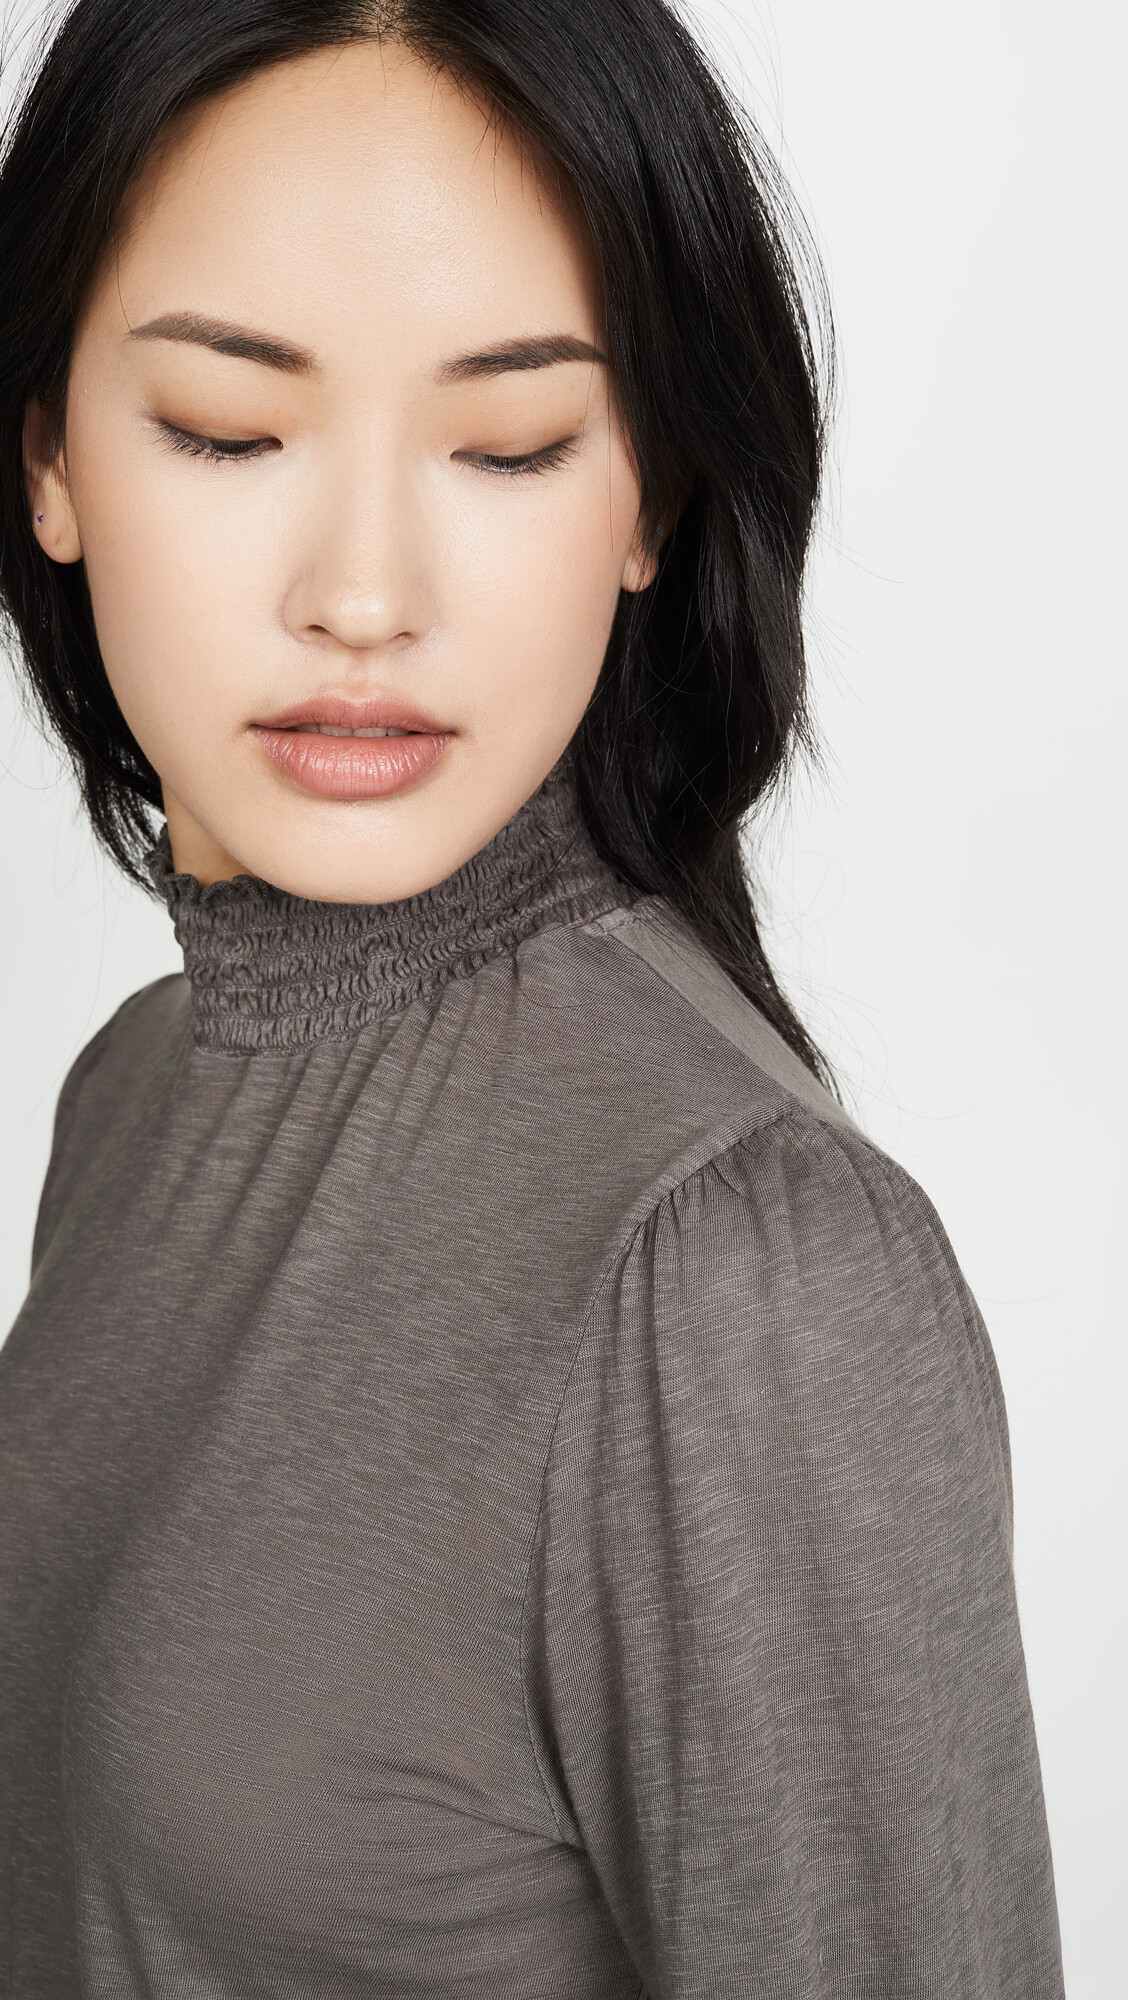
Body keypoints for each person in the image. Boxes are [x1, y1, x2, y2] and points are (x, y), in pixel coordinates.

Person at [0, 1, 1065, 1994]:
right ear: (45, 448)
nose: (365, 595)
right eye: (227, 426)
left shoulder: (742, 1271)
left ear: (649, 497)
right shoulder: (127, 1096)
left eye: (507, 446)